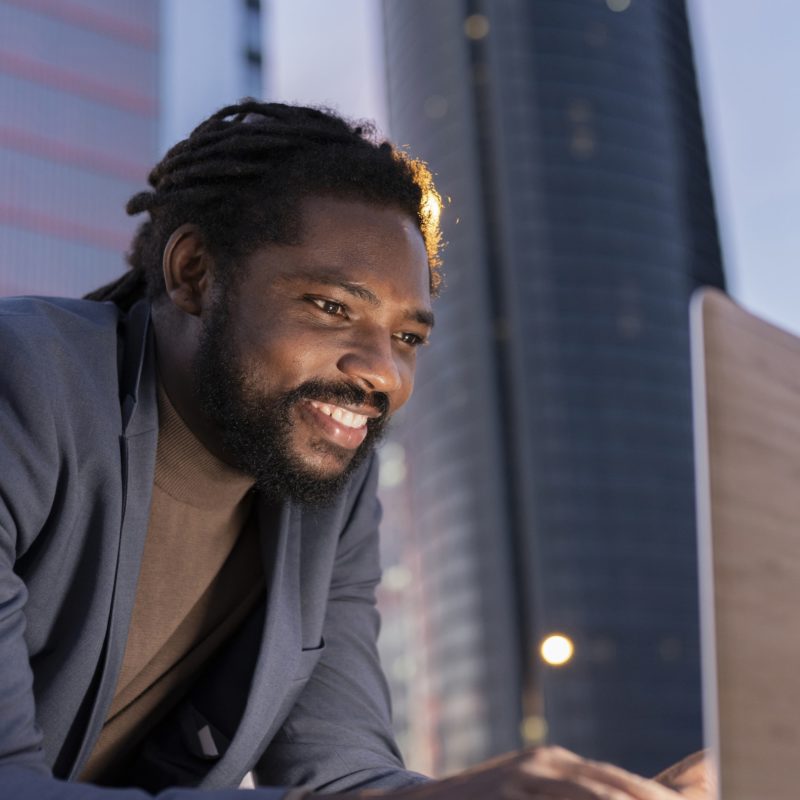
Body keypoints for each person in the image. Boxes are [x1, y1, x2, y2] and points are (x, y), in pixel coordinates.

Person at [0, 100, 711, 799]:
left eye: (408, 338)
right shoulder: (21, 384)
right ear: (194, 274)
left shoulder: (326, 494)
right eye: (332, 307)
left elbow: (343, 777)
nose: (381, 372)